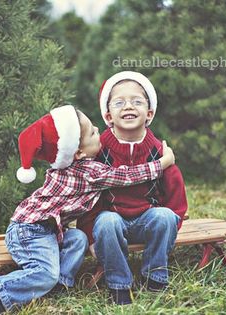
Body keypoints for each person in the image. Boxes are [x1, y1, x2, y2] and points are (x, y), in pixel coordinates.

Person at [0, 105, 176, 314]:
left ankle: (60, 283)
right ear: (79, 152)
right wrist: (162, 163)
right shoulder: (88, 171)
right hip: (29, 231)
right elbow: (126, 175)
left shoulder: (69, 165)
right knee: (44, 273)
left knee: (78, 238)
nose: (98, 130)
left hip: (47, 229)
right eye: (93, 133)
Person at [77, 71, 188, 305]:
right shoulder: (100, 151)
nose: (128, 106)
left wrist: (174, 221)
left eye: (137, 101)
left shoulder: (157, 150)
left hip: (146, 218)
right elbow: (88, 194)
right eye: (119, 102)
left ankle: (155, 276)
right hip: (112, 221)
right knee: (107, 222)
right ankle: (119, 284)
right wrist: (89, 235)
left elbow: (174, 188)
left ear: (149, 113)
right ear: (108, 116)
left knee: (164, 217)